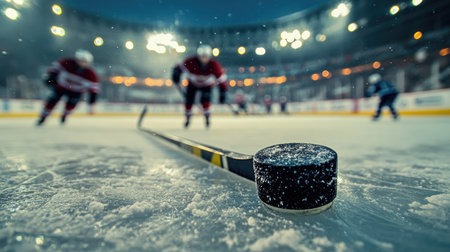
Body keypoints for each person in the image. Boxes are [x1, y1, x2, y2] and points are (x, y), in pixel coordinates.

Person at [37, 49, 99, 126]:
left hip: (76, 92)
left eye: (85, 62)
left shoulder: (91, 74)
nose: (83, 63)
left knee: (71, 105)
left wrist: (91, 104)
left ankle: (65, 115)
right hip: (61, 87)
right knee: (52, 101)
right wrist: (50, 77)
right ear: (76, 59)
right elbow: (54, 68)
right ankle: (43, 117)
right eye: (81, 61)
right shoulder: (66, 63)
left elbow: (94, 91)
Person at [172, 44, 228, 128]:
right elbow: (179, 67)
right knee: (188, 101)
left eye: (206, 56)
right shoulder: (190, 62)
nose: (204, 59)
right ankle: (187, 118)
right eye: (202, 56)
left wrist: (223, 92)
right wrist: (176, 74)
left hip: (207, 85)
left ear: (210, 56)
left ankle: (207, 118)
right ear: (198, 56)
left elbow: (221, 80)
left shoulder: (215, 65)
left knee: (205, 101)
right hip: (192, 84)